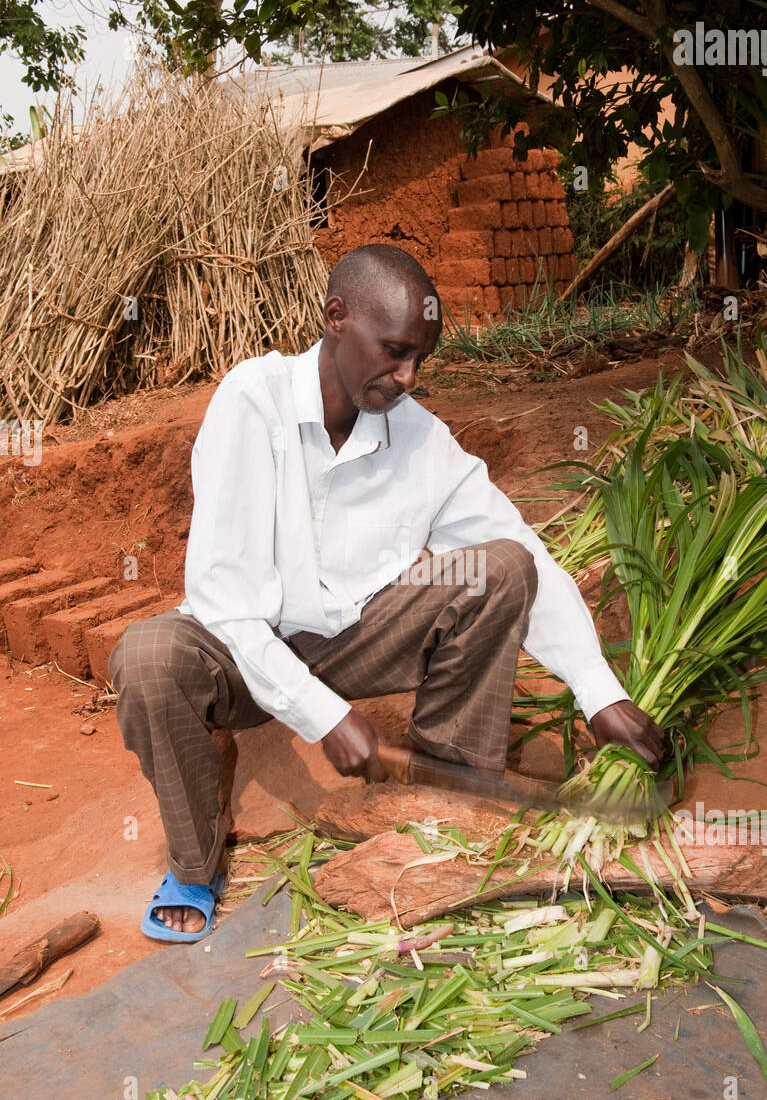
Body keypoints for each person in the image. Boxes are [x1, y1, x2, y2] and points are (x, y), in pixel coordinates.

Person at [109, 244, 663, 942]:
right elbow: (225, 602)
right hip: (234, 649)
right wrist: (323, 716)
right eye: (394, 351)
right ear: (335, 317)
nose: (407, 377)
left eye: (420, 358)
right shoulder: (253, 403)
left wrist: (598, 691)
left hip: (353, 638)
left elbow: (523, 549)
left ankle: (439, 799)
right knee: (149, 655)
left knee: (502, 567)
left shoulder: (420, 438)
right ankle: (196, 863)